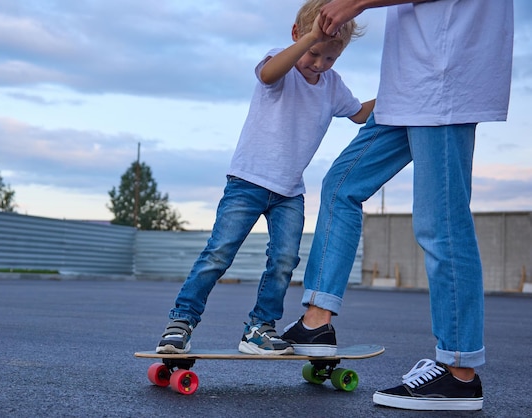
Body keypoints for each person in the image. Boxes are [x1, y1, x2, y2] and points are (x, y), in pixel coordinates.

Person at [281, 0, 513, 411]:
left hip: (445, 78)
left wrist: (353, 4)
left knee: (441, 223)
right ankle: (316, 324)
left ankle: (460, 372)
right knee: (341, 186)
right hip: (406, 86)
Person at [156, 0, 374, 356]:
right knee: (218, 253)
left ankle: (259, 328)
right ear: (296, 36)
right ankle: (181, 321)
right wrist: (310, 39)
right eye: (314, 53)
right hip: (247, 182)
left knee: (285, 260)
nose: (319, 64)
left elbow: (360, 114)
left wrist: (397, 94)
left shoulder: (332, 86)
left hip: (289, 193)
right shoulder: (281, 62)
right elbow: (268, 74)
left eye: (330, 58)